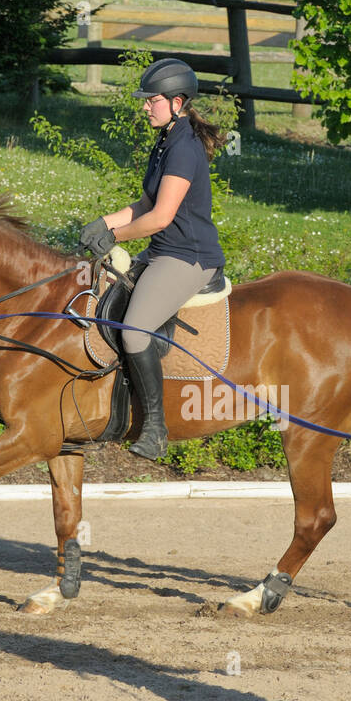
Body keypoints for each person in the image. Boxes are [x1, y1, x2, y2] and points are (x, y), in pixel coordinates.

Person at [79, 58, 226, 460]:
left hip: (188, 258)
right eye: (146, 100)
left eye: (152, 100)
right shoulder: (166, 140)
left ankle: (156, 429)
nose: (145, 106)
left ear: (177, 102)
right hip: (162, 250)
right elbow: (146, 202)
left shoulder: (184, 148)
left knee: (135, 331)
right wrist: (102, 223)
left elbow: (160, 218)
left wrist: (114, 236)